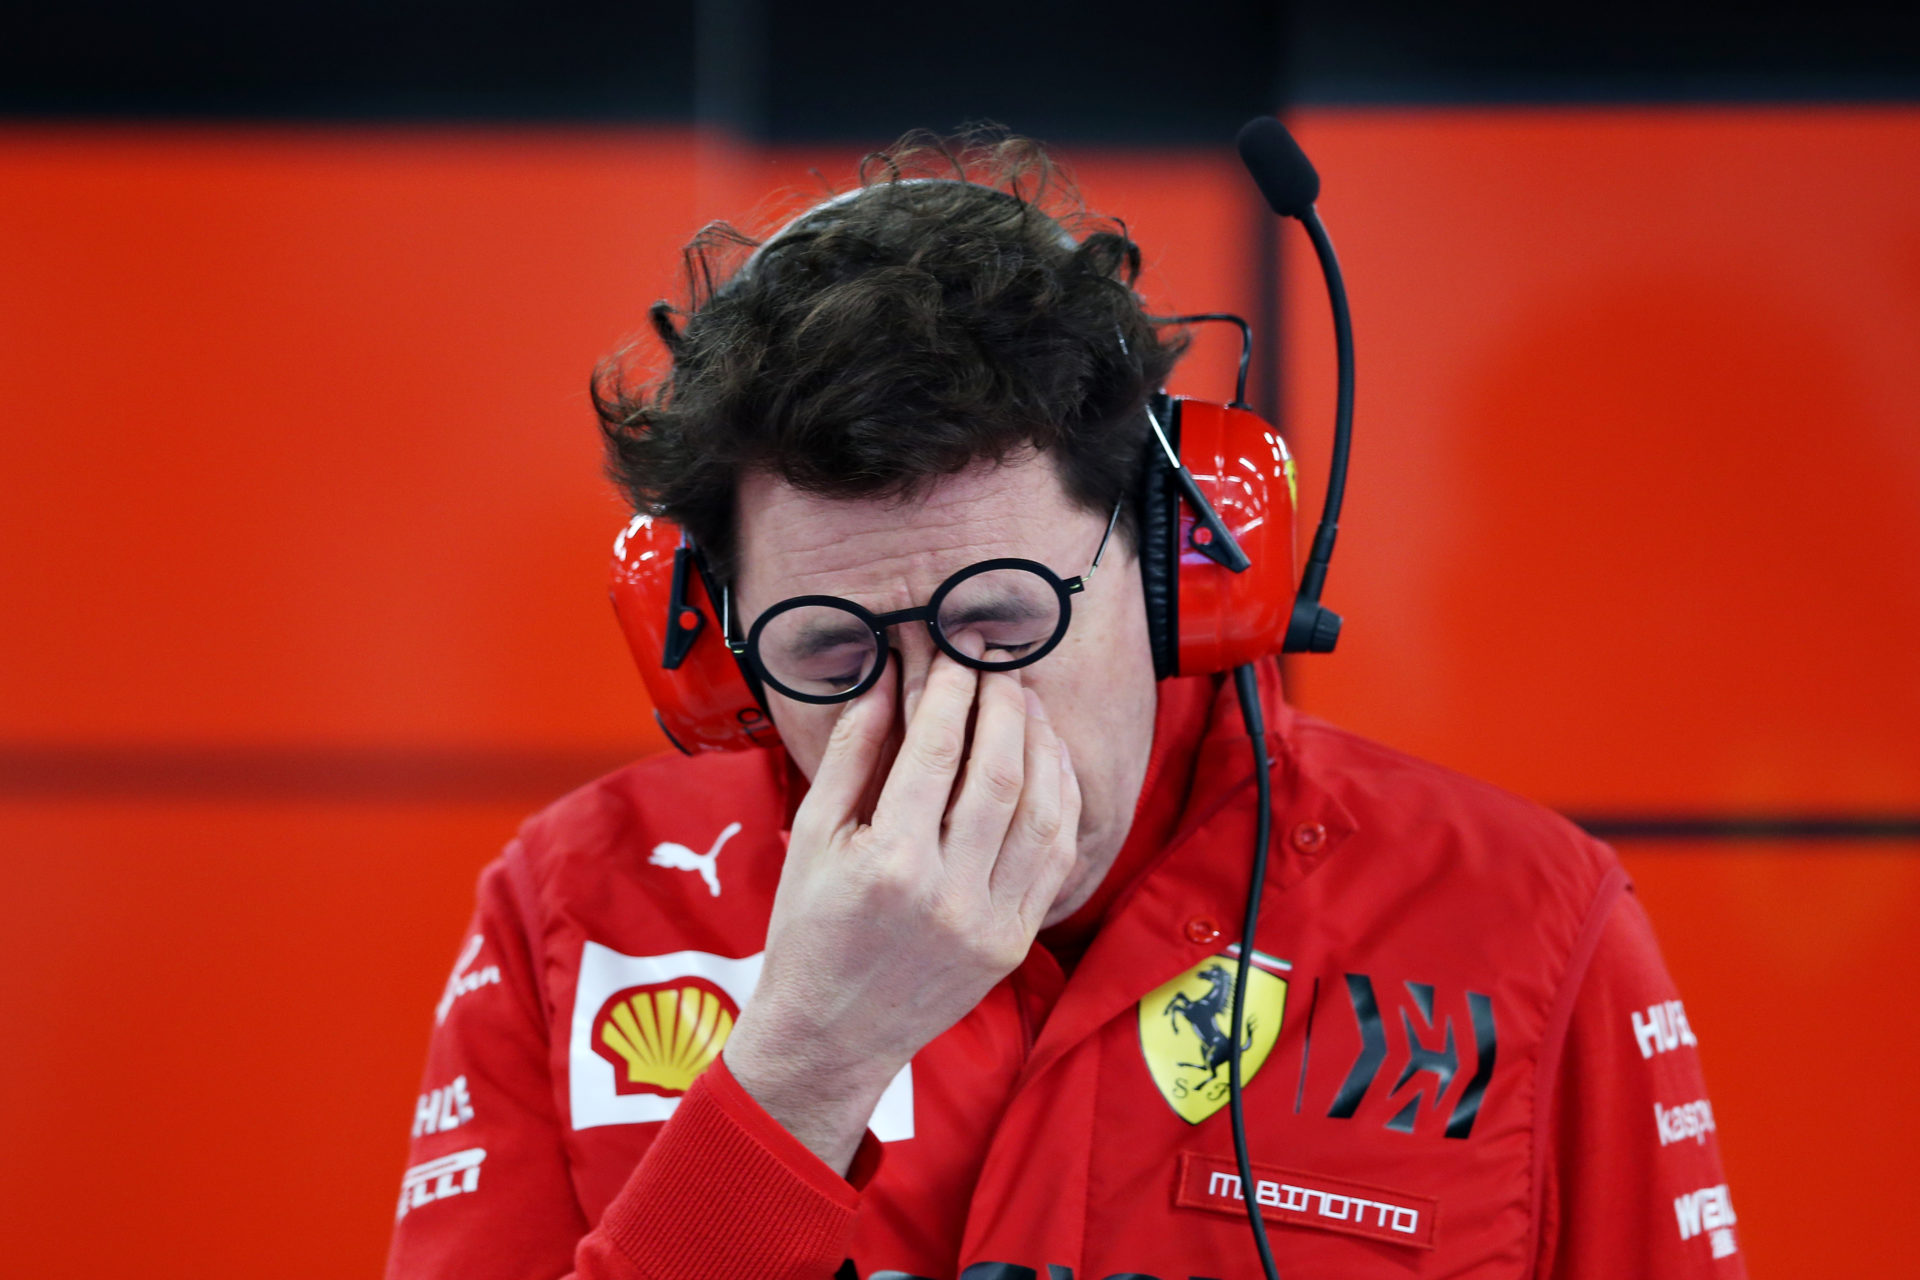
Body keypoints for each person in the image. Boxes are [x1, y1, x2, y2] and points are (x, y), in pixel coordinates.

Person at [384, 132, 1744, 1280]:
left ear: (1179, 569)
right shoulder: (577, 911)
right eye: (833, 650)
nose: (934, 720)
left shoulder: (1527, 920)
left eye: (1001, 619)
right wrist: (802, 1071)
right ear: (717, 654)